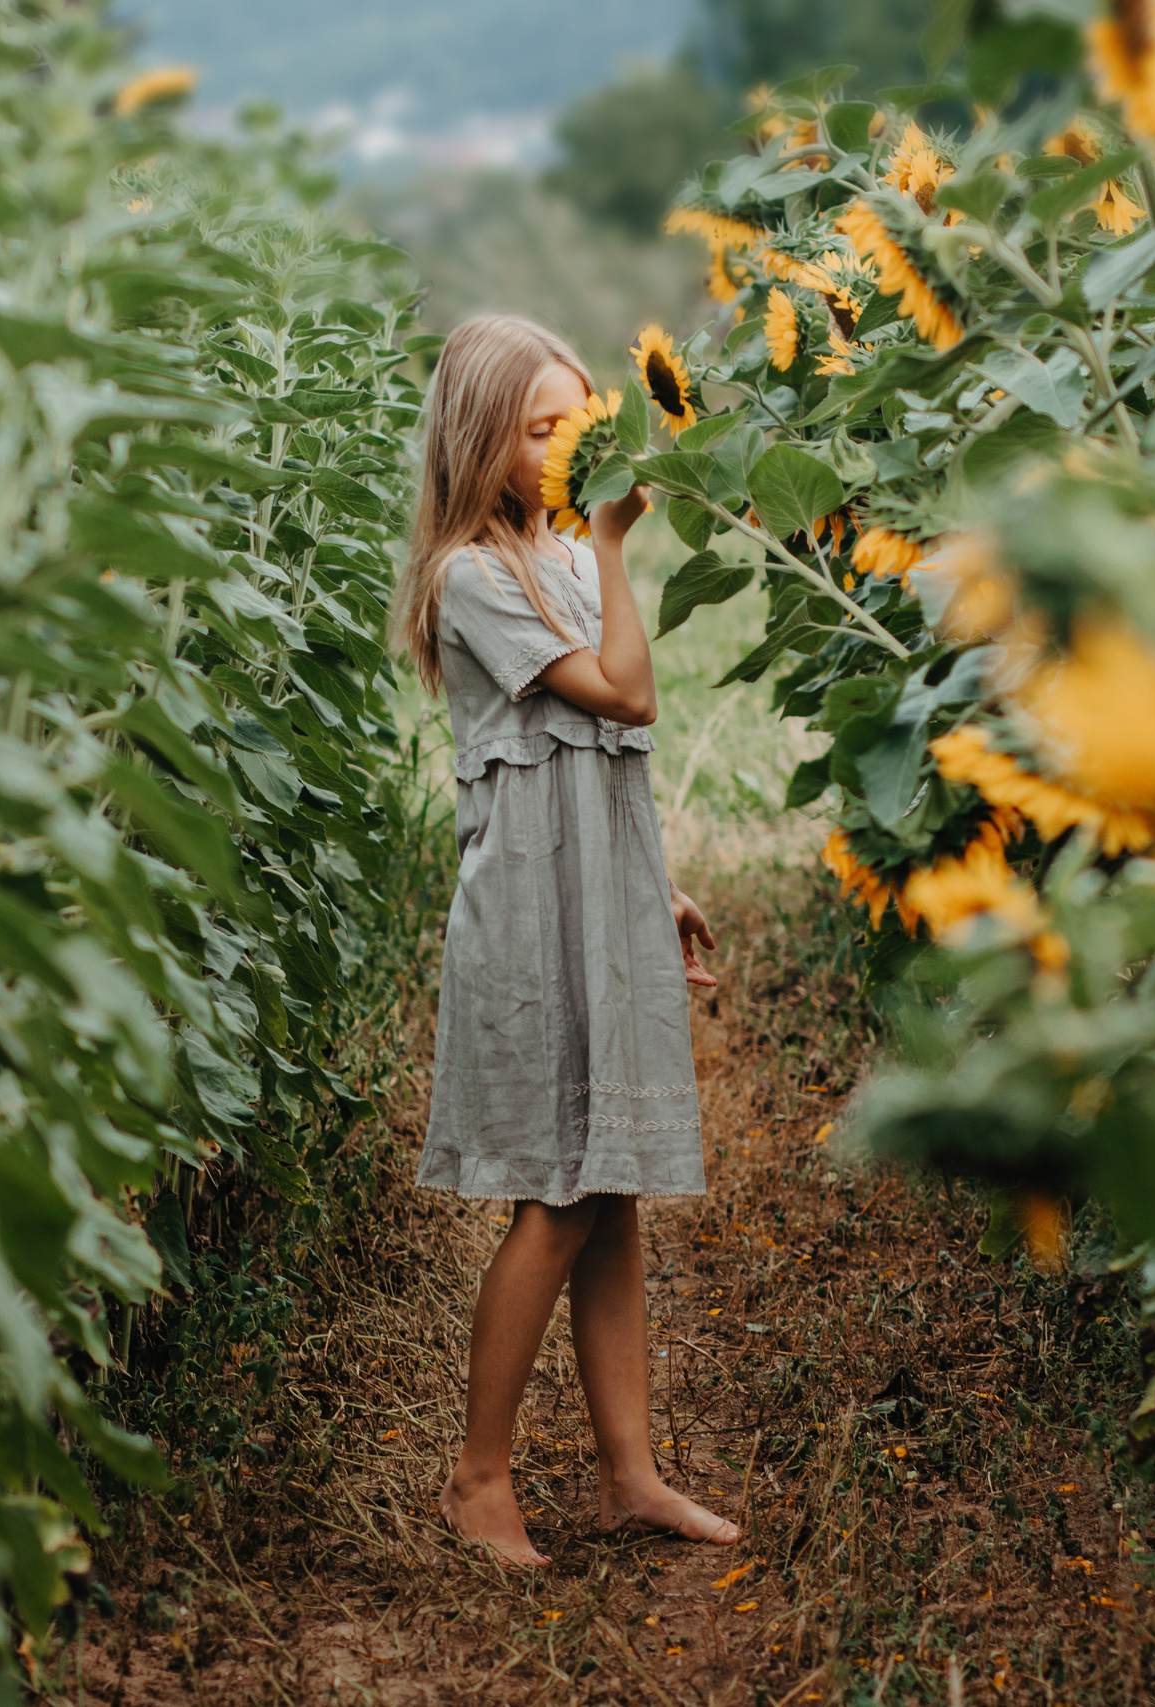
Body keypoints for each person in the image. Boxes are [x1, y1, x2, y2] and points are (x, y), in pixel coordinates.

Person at [388, 313, 736, 1568]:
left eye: (578, 425)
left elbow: (603, 761)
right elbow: (628, 696)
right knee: (557, 1197)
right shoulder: (474, 578)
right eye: (540, 429)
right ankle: (478, 1479)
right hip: (534, 919)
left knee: (614, 1186)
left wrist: (660, 883)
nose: (564, 449)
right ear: (480, 440)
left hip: (604, 892)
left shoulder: (572, 563)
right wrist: (608, 539)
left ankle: (626, 1473)